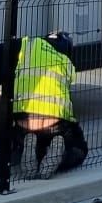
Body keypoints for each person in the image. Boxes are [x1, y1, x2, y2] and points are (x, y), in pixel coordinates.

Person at [12, 31, 88, 176]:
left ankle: (26, 148)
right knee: (80, 149)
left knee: (18, 143)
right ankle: (61, 156)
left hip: (24, 121)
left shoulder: (28, 45)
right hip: (54, 124)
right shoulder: (66, 62)